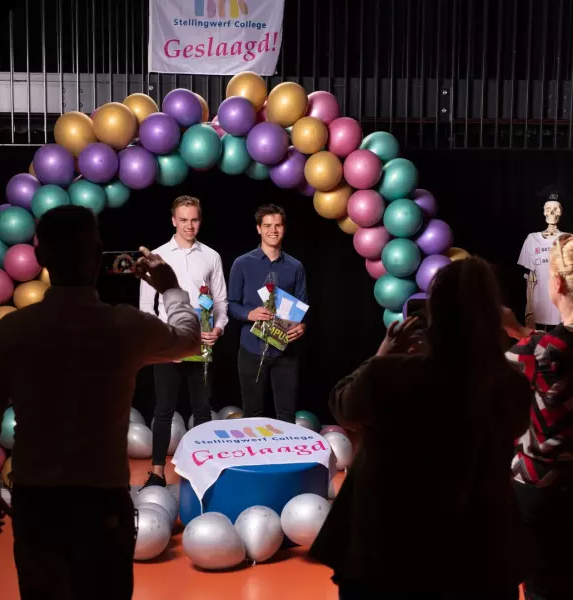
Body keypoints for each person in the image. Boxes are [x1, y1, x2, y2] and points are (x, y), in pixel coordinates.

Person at [0, 205, 200, 600]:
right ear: (97, 254)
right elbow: (190, 340)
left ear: (41, 257)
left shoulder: (14, 330)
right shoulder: (122, 325)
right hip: (101, 503)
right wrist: (170, 288)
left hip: (38, 502)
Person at [310, 257, 532, 600]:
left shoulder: (393, 374)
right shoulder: (509, 385)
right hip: (476, 555)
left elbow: (344, 406)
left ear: (434, 314)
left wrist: (382, 355)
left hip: (385, 551)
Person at [139, 195, 228, 487]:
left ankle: (203, 470)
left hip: (202, 343)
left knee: (202, 408)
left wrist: (218, 329)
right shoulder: (157, 256)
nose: (189, 225)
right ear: (173, 221)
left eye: (194, 220)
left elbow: (221, 302)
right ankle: (157, 472)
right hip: (168, 345)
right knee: (163, 409)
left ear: (200, 220)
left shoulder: (211, 256)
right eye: (184, 220)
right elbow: (146, 307)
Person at [505, 233, 573, 600]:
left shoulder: (536, 350)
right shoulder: (540, 348)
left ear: (557, 284)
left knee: (542, 588)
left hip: (540, 489)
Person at [228, 204, 307, 424]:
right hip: (251, 348)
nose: (273, 230)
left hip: (286, 352)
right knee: (252, 415)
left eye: (278, 225)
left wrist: (302, 326)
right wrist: (249, 314)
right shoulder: (242, 263)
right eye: (267, 226)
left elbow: (302, 308)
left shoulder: (296, 267)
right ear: (258, 229)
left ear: (284, 228)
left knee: (287, 416)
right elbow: (231, 304)